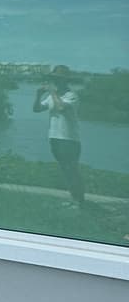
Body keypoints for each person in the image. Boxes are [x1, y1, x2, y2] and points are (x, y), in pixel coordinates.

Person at [33, 65, 85, 207]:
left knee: (72, 170)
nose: (55, 81)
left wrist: (52, 92)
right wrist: (38, 95)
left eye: (59, 79)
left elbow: (61, 108)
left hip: (69, 140)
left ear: (65, 81)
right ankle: (74, 198)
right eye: (54, 79)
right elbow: (37, 109)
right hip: (54, 138)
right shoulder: (52, 96)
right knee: (65, 170)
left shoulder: (71, 95)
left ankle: (79, 200)